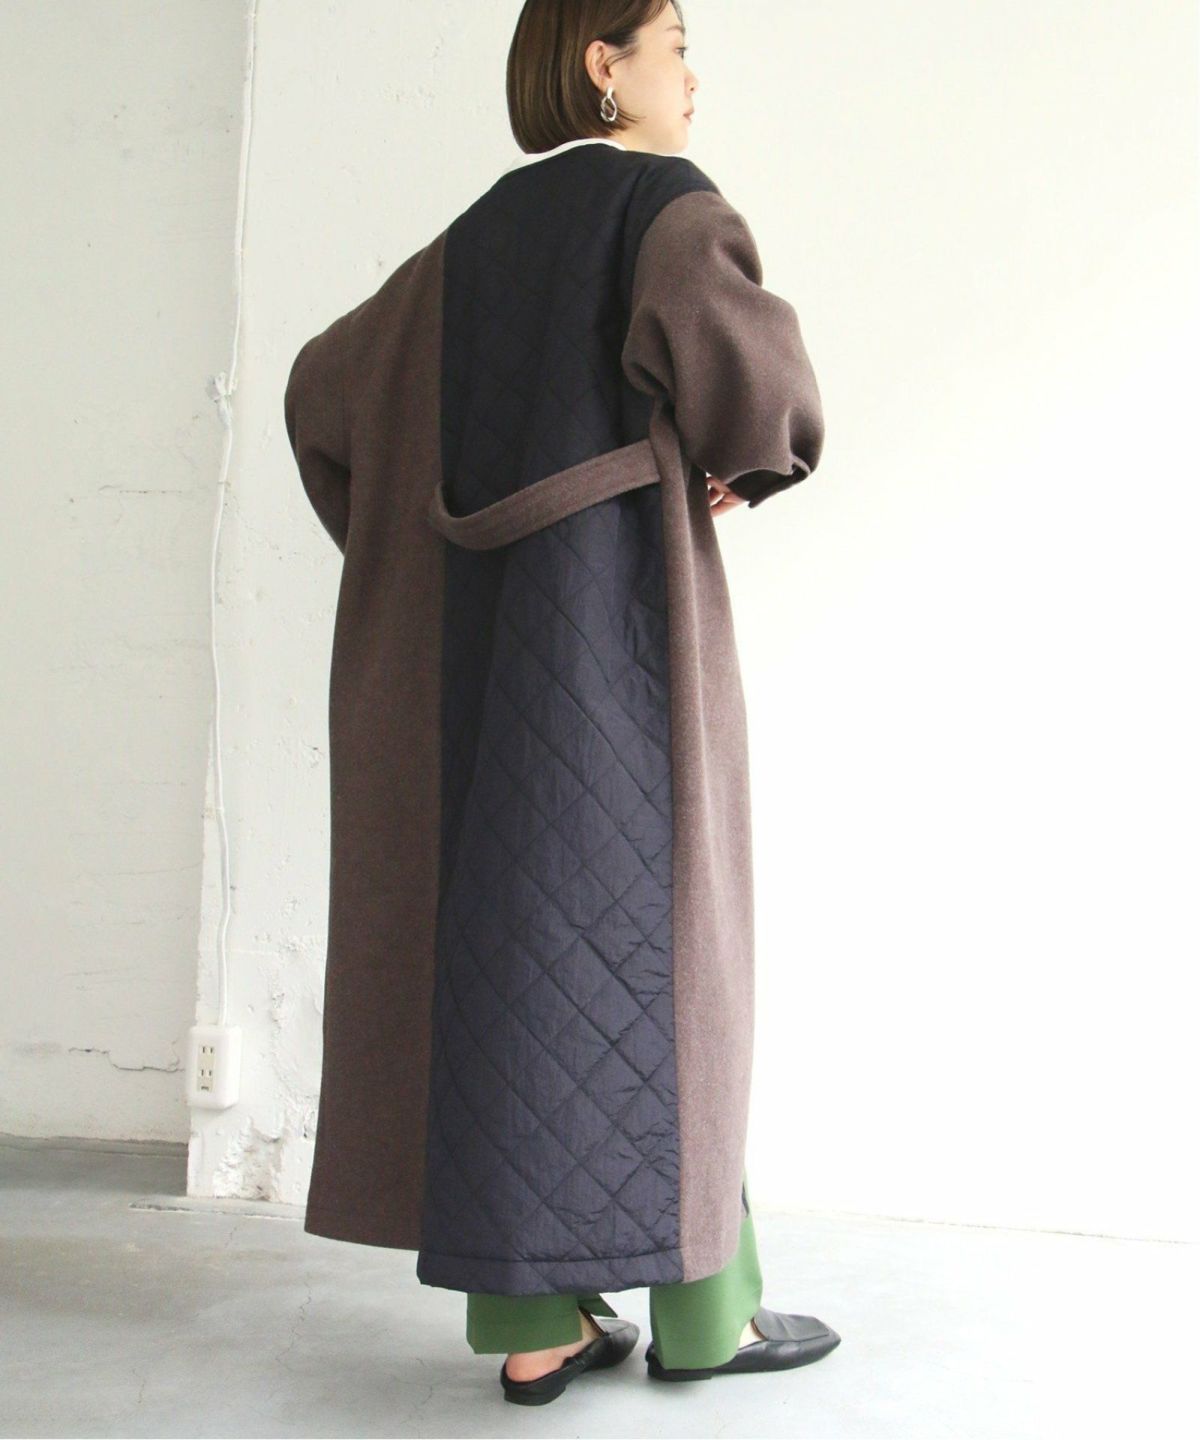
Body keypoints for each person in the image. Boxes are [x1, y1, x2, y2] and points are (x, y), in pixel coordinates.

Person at [284, 0, 838, 1408]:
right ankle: (709, 1320)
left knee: (512, 956)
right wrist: (753, 458)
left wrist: (408, 547)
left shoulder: (464, 245)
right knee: (675, 961)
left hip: (479, 662)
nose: (692, 76)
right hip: (623, 644)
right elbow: (761, 389)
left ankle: (534, 1329)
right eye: (675, 43)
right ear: (606, 64)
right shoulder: (664, 208)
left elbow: (320, 397)